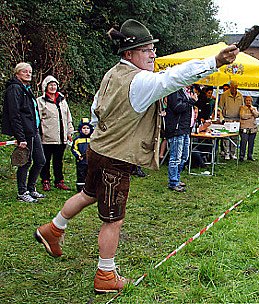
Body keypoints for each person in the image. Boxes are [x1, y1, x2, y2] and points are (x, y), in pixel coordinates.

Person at [34, 19, 238, 293]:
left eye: (152, 48)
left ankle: (53, 229)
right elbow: (174, 78)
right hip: (115, 158)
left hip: (97, 149)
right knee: (113, 219)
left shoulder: (112, 73)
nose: (152, 53)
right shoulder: (140, 80)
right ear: (128, 54)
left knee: (88, 195)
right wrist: (214, 61)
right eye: (145, 50)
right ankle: (105, 275)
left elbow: (96, 108)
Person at [2, 62, 46, 203]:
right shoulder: (14, 89)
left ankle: (31, 188)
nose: (29, 74)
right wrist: (20, 137)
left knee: (40, 160)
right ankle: (22, 192)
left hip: (34, 130)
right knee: (25, 161)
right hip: (25, 132)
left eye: (30, 71)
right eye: (25, 71)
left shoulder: (26, 88)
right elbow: (14, 114)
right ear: (17, 73)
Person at [37, 75, 74, 191]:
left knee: (58, 161)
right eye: (50, 85)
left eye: (54, 85)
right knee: (45, 161)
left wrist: (69, 132)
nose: (53, 87)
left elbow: (68, 117)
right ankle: (45, 180)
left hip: (61, 137)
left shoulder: (62, 100)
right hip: (47, 136)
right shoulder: (41, 101)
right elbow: (38, 118)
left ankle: (59, 181)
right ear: (45, 87)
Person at [165, 85, 199, 192]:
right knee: (175, 157)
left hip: (184, 129)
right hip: (176, 129)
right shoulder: (174, 91)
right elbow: (177, 107)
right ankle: (173, 182)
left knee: (184, 156)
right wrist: (191, 101)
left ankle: (177, 178)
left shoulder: (184, 92)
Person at [219, 81, 243, 159]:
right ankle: (226, 153)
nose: (234, 89)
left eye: (236, 88)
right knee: (226, 137)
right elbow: (220, 108)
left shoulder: (240, 96)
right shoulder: (224, 95)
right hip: (227, 118)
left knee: (235, 137)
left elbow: (242, 107)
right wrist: (222, 118)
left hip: (236, 119)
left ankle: (233, 153)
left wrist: (241, 118)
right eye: (233, 87)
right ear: (230, 87)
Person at [71, 118, 94, 192]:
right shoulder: (77, 139)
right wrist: (78, 156)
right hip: (81, 161)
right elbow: (74, 149)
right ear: (80, 129)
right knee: (81, 175)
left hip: (91, 161)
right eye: (84, 128)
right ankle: (80, 189)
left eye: (88, 128)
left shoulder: (93, 139)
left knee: (91, 174)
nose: (86, 130)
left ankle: (90, 188)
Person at [238, 95, 259, 161]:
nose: (248, 102)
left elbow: (257, 115)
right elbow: (243, 116)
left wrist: (252, 110)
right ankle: (242, 156)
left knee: (251, 142)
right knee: (243, 142)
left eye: (249, 100)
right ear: (245, 101)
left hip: (253, 128)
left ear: (252, 101)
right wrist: (251, 115)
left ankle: (250, 155)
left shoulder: (254, 108)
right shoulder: (242, 108)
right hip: (244, 127)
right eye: (247, 100)